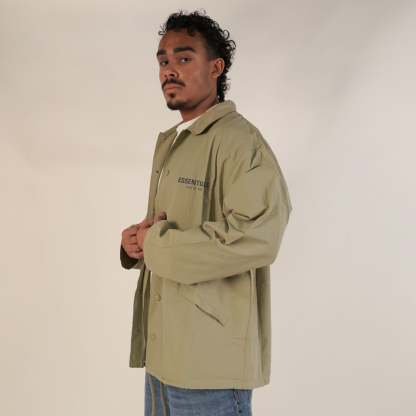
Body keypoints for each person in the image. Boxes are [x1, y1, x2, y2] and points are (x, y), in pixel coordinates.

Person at [120, 9, 292, 416]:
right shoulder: (176, 142)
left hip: (209, 369)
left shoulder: (239, 142)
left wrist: (157, 243)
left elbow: (259, 236)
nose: (169, 70)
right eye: (163, 60)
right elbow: (170, 231)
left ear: (216, 68)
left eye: (184, 58)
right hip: (163, 357)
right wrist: (137, 244)